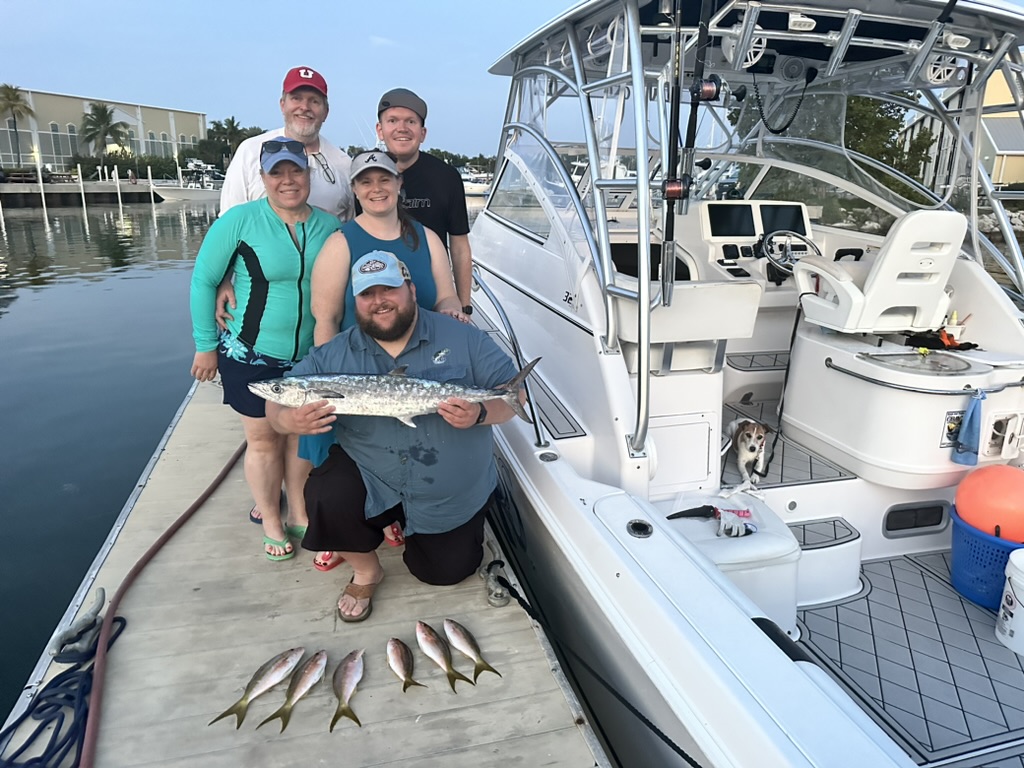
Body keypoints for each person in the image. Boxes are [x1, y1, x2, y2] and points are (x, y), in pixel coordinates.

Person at [265, 251, 524, 621]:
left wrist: (480, 413)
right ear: (355, 301)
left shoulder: (463, 337)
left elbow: (514, 397)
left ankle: (411, 526)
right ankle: (367, 570)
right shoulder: (332, 355)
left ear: (412, 290)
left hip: (447, 489)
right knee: (325, 494)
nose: (378, 301)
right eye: (367, 294)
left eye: (389, 289)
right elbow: (277, 404)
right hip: (373, 473)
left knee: (443, 573)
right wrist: (289, 422)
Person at [301, 149, 468, 571]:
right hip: (358, 368)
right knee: (348, 460)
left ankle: (394, 513)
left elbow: (445, 294)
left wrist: (454, 309)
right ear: (354, 190)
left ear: (399, 185)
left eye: (384, 180)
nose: (376, 189)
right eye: (365, 182)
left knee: (417, 449)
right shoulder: (341, 242)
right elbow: (326, 319)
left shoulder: (426, 237)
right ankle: (347, 533)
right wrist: (331, 382)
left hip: (419, 365)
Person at [190, 138, 339, 561]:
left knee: (298, 437)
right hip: (249, 352)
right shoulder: (240, 221)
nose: (288, 180)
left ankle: (299, 510)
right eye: (278, 173)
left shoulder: (330, 227)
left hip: (309, 356)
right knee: (263, 439)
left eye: (296, 171)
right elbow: (204, 280)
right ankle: (271, 520)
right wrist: (205, 347)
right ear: (263, 179)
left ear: (308, 175)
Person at [376, 88, 474, 312]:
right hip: (379, 298)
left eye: (411, 121)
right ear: (380, 130)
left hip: (435, 297)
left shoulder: (447, 177)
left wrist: (464, 305)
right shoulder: (365, 179)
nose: (402, 128)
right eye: (392, 121)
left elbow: (459, 246)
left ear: (423, 133)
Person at [220, 67, 354, 222]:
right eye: (296, 98)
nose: (304, 107)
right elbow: (228, 221)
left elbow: (352, 225)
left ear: (326, 112)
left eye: (314, 101)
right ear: (282, 105)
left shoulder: (344, 164)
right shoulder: (249, 151)